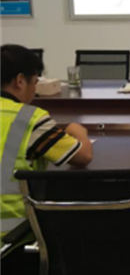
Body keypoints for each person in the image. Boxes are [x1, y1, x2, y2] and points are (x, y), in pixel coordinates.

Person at [1, 45, 93, 244]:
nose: (35, 91)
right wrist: (79, 132)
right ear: (20, 81)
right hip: (11, 238)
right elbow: (82, 156)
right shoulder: (27, 118)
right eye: (35, 83)